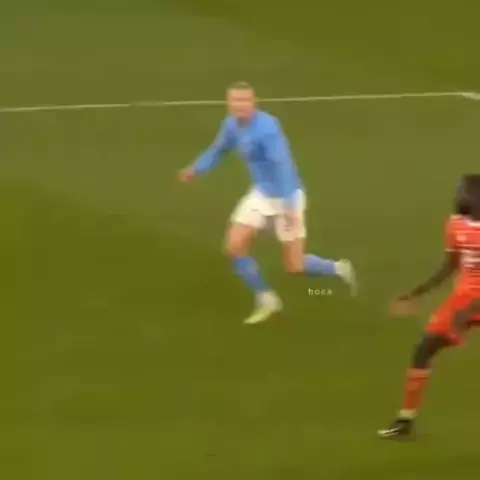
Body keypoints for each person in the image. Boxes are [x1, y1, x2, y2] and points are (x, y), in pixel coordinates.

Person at [179, 81, 356, 324]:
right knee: (234, 248)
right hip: (262, 194)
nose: (240, 105)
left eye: (244, 100)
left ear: (254, 102)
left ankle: (338, 268)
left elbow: (283, 165)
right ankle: (267, 299)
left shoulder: (267, 128)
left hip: (287, 196)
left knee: (294, 266)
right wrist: (196, 169)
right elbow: (219, 150)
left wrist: (290, 207)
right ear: (228, 102)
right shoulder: (231, 125)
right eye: (235, 100)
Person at [378, 174, 480, 439]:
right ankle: (406, 420)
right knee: (424, 349)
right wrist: (416, 293)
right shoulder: (455, 225)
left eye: (464, 192)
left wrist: (468, 311)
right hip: (463, 300)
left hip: (469, 305)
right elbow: (450, 265)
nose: (458, 196)